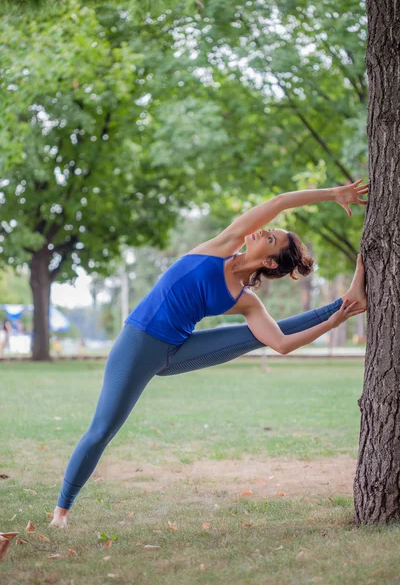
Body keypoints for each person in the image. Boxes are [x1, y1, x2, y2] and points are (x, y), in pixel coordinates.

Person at [50, 179, 368, 528]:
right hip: (139, 344)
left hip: (179, 350)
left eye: (270, 238)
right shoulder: (222, 245)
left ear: (271, 262)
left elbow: (281, 344)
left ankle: (349, 304)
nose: (263, 231)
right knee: (101, 430)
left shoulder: (246, 300)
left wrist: (333, 321)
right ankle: (61, 514)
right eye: (270, 231)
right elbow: (279, 201)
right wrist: (333, 194)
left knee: (260, 336)